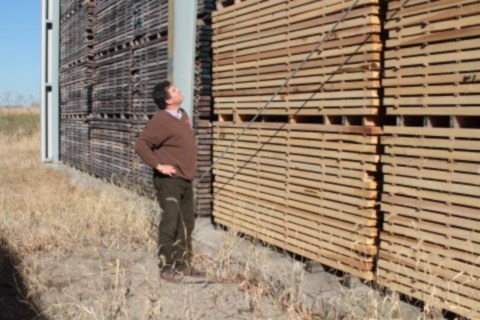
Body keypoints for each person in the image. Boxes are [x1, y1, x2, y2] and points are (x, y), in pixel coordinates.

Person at [135, 80, 199, 282]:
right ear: (167, 99)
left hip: (185, 179)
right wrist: (159, 166)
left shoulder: (183, 116)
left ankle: (184, 264)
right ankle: (166, 266)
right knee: (170, 222)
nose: (179, 90)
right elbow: (141, 144)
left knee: (186, 222)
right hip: (169, 181)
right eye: (174, 90)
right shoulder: (161, 120)